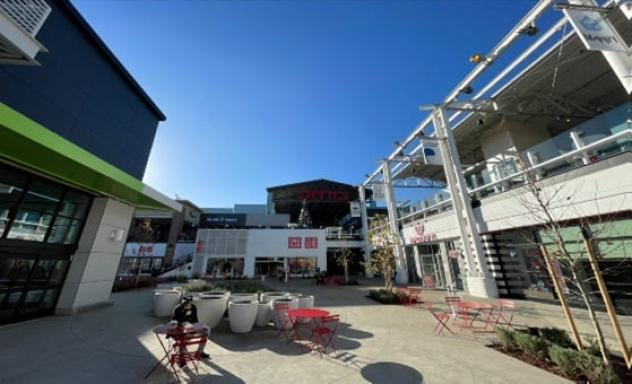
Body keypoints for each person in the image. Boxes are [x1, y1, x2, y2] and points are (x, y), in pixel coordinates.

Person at [171, 295, 211, 367]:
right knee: (184, 337)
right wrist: (185, 310)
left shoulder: (193, 307)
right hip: (180, 329)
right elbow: (176, 322)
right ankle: (182, 358)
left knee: (206, 329)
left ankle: (200, 351)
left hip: (191, 327)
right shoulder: (177, 309)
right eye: (185, 303)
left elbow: (195, 320)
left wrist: (193, 327)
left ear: (191, 302)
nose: (187, 304)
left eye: (188, 302)